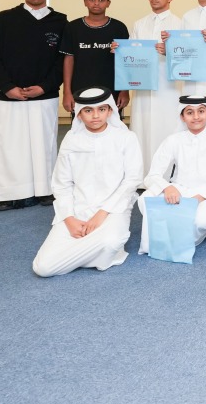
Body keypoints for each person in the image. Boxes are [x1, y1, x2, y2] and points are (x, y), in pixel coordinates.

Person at [31, 88, 142, 277]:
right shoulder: (71, 139)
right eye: (88, 110)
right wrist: (69, 219)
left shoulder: (126, 138)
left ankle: (79, 253)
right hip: (77, 209)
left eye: (101, 109)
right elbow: (61, 183)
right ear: (80, 114)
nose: (95, 116)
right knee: (43, 268)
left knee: (111, 241)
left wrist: (101, 214)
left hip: (113, 209)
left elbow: (132, 181)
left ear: (110, 111)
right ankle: (92, 253)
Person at [0, 0, 68, 210]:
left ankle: (45, 191)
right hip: (7, 97)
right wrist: (7, 87)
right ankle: (12, 194)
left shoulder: (60, 22)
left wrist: (44, 86)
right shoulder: (3, 19)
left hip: (44, 95)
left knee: (44, 144)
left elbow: (63, 62)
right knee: (10, 146)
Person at [136, 95, 206, 256]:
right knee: (143, 200)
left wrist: (200, 197)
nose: (196, 117)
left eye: (201, 111)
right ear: (182, 116)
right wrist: (167, 188)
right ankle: (171, 237)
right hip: (178, 190)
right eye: (189, 112)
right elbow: (152, 175)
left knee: (201, 221)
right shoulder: (173, 140)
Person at [129, 0, 183, 172]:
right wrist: (120, 51)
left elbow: (188, 57)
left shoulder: (179, 24)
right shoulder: (139, 24)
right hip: (143, 88)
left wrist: (170, 52)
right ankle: (142, 175)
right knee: (142, 128)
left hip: (168, 87)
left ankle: (168, 174)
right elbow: (130, 55)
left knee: (167, 127)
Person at [60, 0, 130, 113]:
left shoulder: (118, 27)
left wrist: (125, 91)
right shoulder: (72, 27)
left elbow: (125, 61)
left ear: (108, 3)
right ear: (85, 2)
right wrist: (66, 92)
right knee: (80, 128)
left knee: (113, 128)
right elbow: (69, 59)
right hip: (80, 90)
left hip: (111, 90)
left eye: (101, 0)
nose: (96, 3)